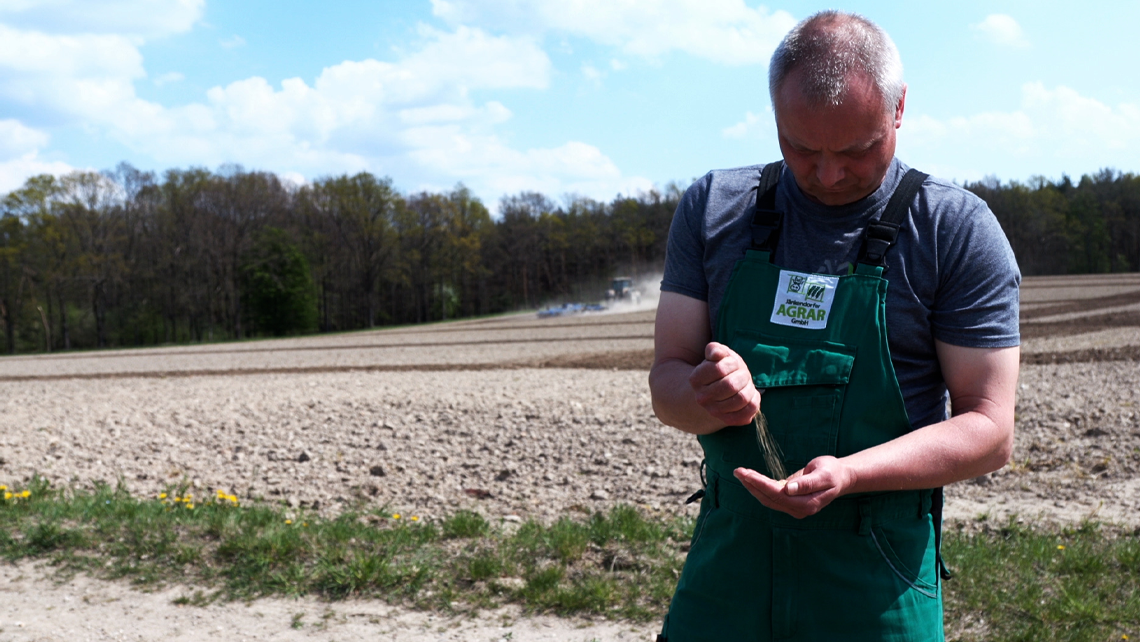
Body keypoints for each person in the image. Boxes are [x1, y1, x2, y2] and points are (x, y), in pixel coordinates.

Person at [649, 10, 1020, 642]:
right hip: (727, 574)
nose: (826, 175)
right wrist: (703, 394)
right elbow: (667, 383)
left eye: (854, 150)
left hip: (876, 580)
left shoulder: (954, 230)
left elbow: (989, 430)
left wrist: (849, 474)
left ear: (900, 110)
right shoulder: (715, 208)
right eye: (800, 148)